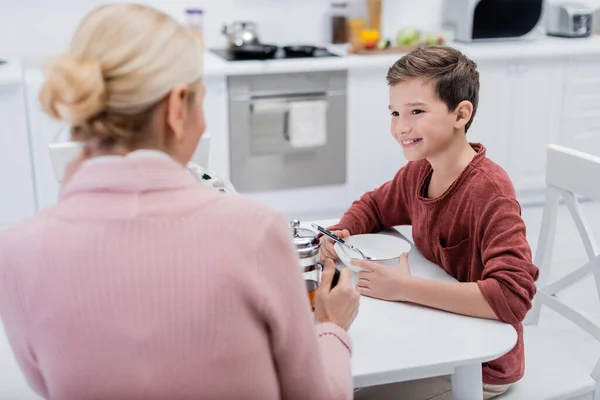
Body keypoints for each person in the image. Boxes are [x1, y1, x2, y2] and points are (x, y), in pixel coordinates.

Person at [0, 4, 360, 400]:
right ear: (176, 108)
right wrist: (331, 325)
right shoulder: (254, 230)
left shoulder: (16, 251)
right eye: (199, 102)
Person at [321, 46, 539, 400]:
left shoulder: (490, 191)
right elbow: (375, 205)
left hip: (479, 365)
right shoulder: (420, 171)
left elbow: (513, 297)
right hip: (438, 335)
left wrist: (405, 289)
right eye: (394, 112)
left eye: (417, 111)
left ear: (461, 114)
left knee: (353, 391)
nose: (401, 127)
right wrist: (344, 230)